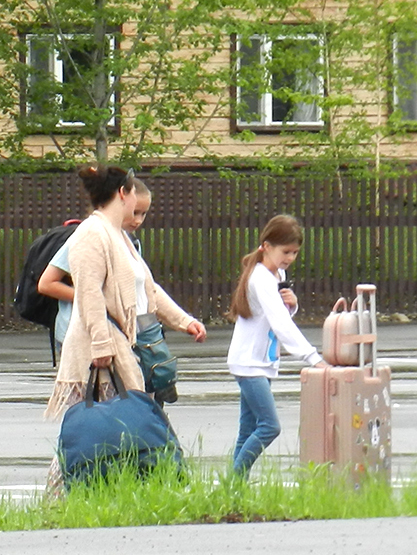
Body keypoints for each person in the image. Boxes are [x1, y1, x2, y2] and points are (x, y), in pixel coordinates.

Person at [44, 166, 205, 421]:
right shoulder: (91, 233)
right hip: (102, 351)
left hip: (124, 343)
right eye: (133, 196)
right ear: (123, 193)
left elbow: (146, 289)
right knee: (106, 433)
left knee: (125, 430)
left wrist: (184, 321)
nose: (137, 208)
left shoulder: (118, 234)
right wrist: (100, 346)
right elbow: (89, 293)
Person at [226, 214, 324, 476]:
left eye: (295, 252)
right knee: (270, 426)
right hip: (249, 363)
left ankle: (233, 492)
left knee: (247, 430)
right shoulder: (261, 278)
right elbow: (280, 325)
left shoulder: (277, 272)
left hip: (259, 360)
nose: (290, 258)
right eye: (286, 251)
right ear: (267, 246)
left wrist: (292, 304)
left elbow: (277, 316)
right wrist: (314, 358)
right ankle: (233, 480)